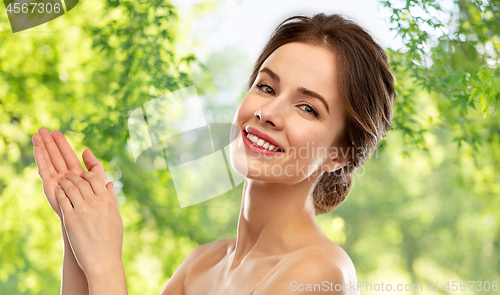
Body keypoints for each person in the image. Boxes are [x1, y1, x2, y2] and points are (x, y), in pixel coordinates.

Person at [32, 13, 395, 295]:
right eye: (266, 87)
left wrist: (105, 262)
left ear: (341, 154)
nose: (267, 112)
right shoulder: (202, 264)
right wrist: (78, 228)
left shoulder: (320, 273)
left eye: (307, 108)